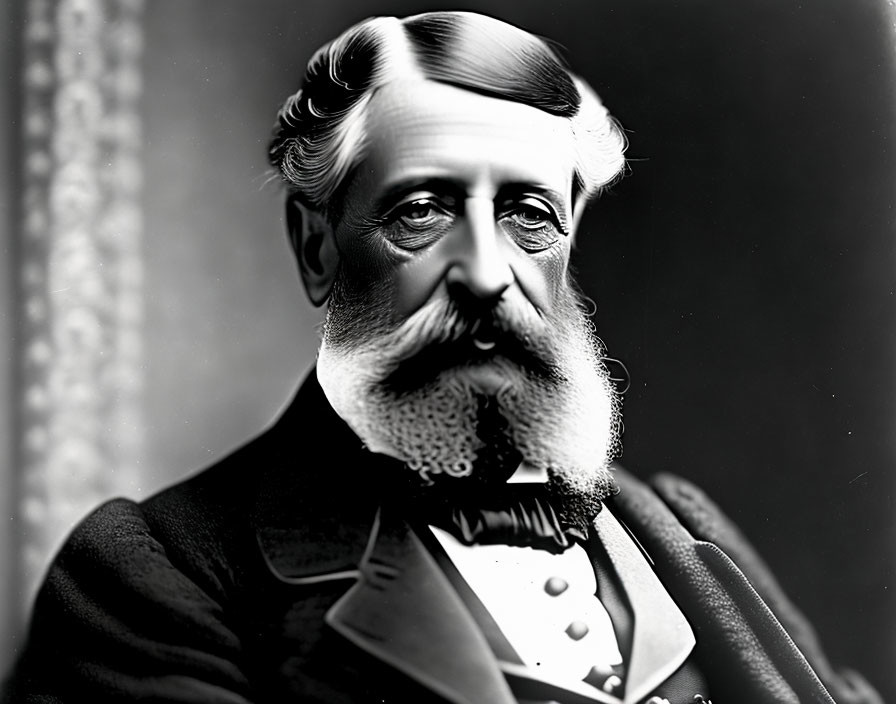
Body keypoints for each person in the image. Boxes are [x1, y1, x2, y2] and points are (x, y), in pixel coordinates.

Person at [3, 11, 882, 704]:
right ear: (317, 248)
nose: (487, 274)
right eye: (421, 210)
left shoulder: (672, 524)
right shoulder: (156, 573)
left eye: (529, 215)